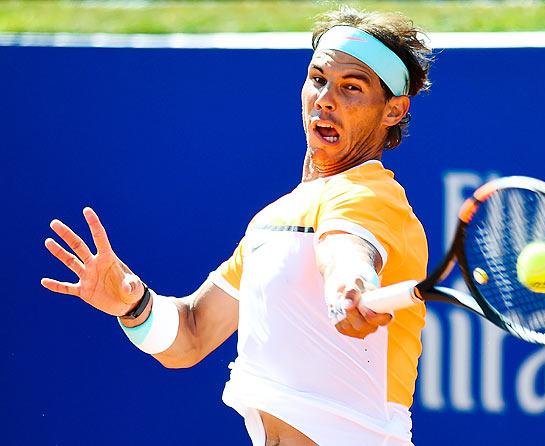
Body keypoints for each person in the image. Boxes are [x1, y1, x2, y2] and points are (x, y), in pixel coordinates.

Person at [41, 6, 433, 446]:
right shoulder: (274, 221)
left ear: (393, 111)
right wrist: (134, 307)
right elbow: (190, 334)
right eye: (318, 79)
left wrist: (350, 283)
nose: (325, 98)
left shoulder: (371, 195)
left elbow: (346, 249)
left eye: (352, 88)